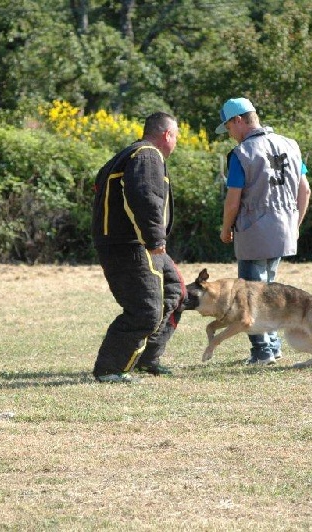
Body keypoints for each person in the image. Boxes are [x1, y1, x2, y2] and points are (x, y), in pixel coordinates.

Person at [91, 112, 185, 383]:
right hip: (133, 244)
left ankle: (146, 358)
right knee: (145, 310)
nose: (176, 142)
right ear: (167, 134)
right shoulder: (147, 155)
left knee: (175, 291)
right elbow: (145, 198)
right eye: (176, 136)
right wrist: (155, 240)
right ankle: (110, 369)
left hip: (128, 242)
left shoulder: (127, 155)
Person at [215, 97, 311, 365]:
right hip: (284, 229)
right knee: (269, 291)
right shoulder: (290, 145)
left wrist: (225, 229)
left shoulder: (242, 153)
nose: (230, 135)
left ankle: (262, 351)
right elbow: (305, 190)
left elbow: (233, 200)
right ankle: (274, 345)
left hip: (252, 230)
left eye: (229, 127)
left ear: (238, 121)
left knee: (249, 293)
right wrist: (296, 224)